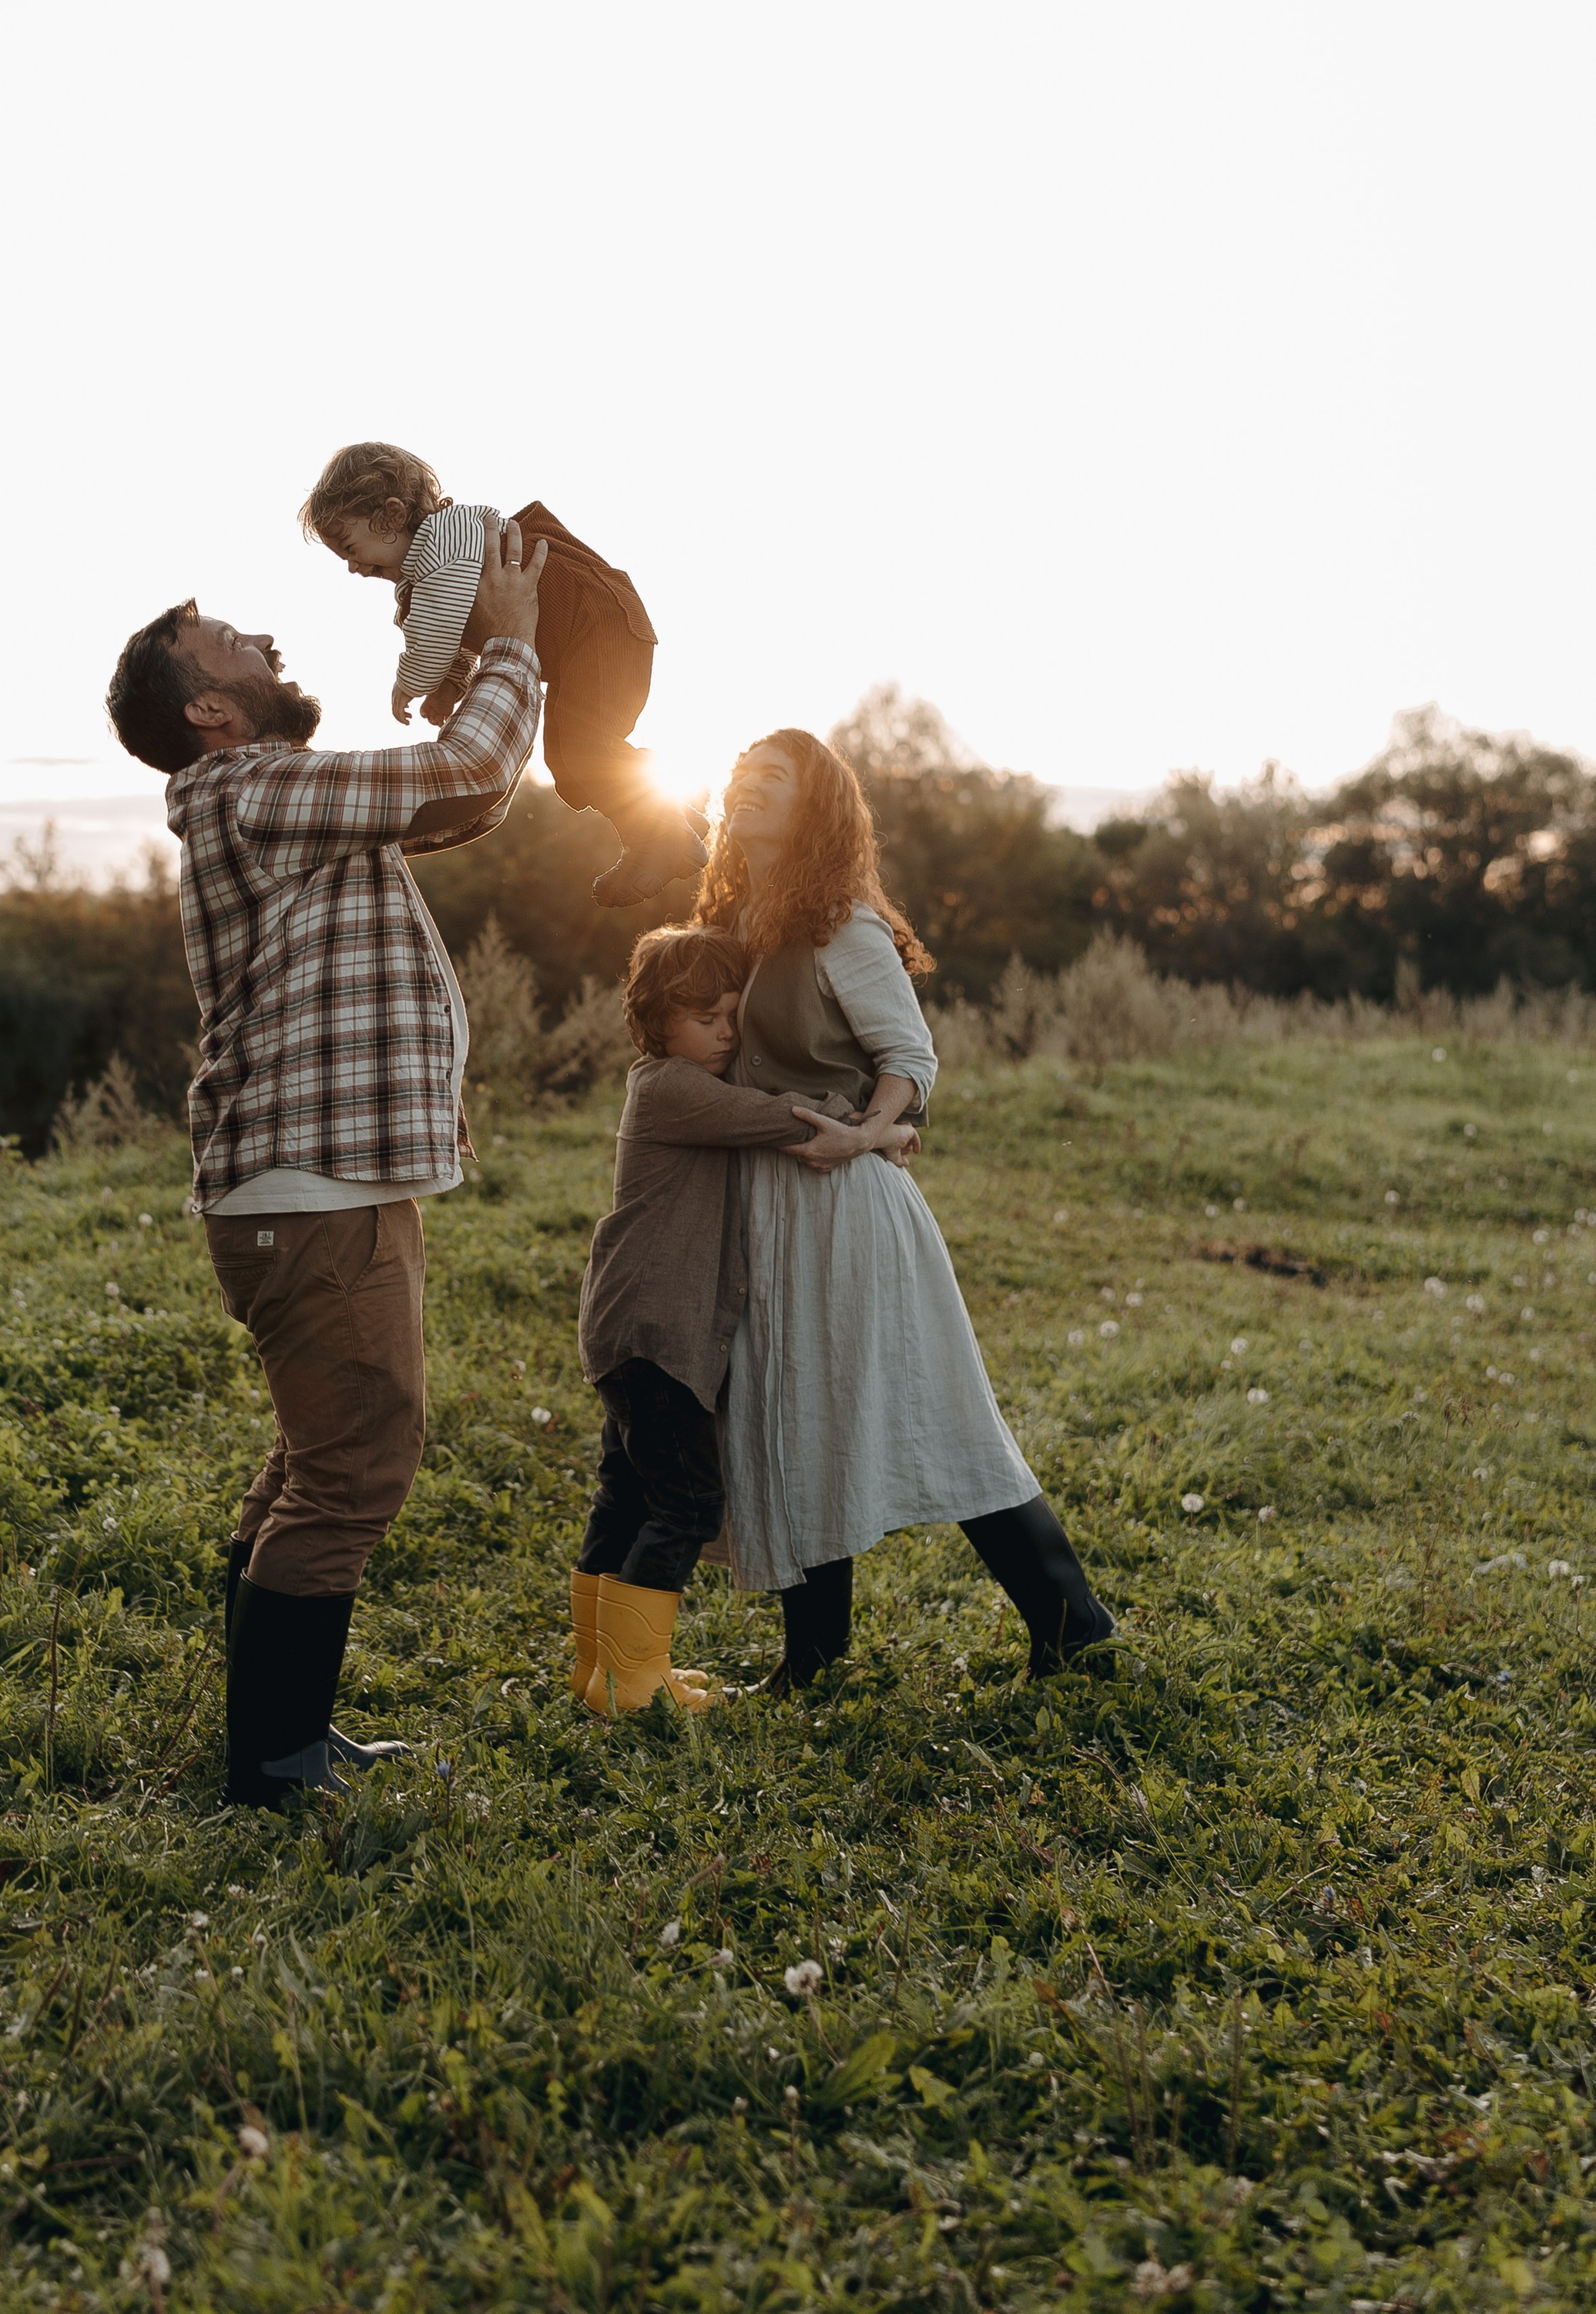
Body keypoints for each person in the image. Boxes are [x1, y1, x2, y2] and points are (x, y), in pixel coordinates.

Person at [103, 521, 547, 1803]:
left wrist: (487, 678)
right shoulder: (260, 790)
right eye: (234, 644)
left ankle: (279, 1735)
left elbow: (466, 790)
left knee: (319, 1457)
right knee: (356, 1463)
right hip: (309, 1189)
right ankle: (278, 1762)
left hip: (317, 1182)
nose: (267, 643)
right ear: (212, 710)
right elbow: (463, 766)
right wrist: (512, 640)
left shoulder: (270, 802)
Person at [696, 728, 1115, 1689]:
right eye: (741, 773)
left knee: (941, 1415)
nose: (747, 787)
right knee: (791, 1409)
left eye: (774, 780)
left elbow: (909, 1057)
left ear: (814, 809)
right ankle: (813, 1656)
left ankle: (1074, 1624)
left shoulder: (840, 923)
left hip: (841, 1205)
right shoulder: (734, 918)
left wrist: (871, 1131)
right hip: (762, 1205)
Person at [570, 925, 917, 1716]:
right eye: (705, 1019)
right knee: (685, 1504)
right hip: (657, 1334)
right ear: (655, 1022)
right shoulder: (673, 1089)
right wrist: (882, 1128)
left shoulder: (668, 1082)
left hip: (630, 1326)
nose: (726, 1033)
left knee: (623, 1494)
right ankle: (632, 1682)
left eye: (732, 1015)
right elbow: (787, 1117)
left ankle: (599, 1670)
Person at [299, 439, 706, 907]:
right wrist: (450, 686)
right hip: (589, 639)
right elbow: (460, 627)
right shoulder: (436, 571)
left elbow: (433, 636)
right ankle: (670, 822)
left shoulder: (443, 547)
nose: (352, 568)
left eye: (350, 547)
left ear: (391, 517)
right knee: (571, 761)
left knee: (581, 750)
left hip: (601, 627)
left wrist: (409, 684)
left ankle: (657, 839)